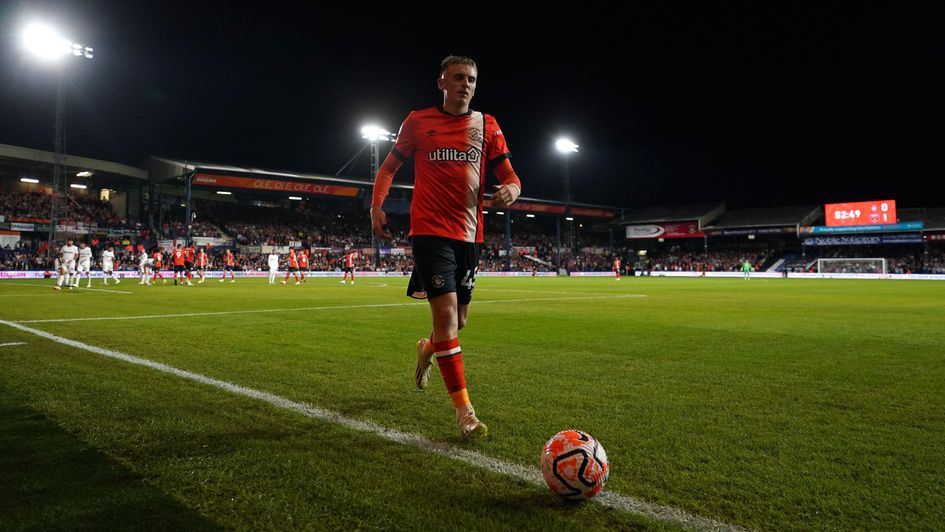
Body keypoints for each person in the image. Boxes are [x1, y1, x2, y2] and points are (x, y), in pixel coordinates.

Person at [370, 55, 522, 440]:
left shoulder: (487, 125)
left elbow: (509, 174)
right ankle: (464, 411)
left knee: (459, 323)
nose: (465, 84)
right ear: (442, 82)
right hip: (429, 233)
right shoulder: (418, 122)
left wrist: (512, 191)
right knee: (448, 318)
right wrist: (376, 207)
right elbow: (388, 168)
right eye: (457, 77)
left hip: (470, 237)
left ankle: (427, 349)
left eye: (471, 78)